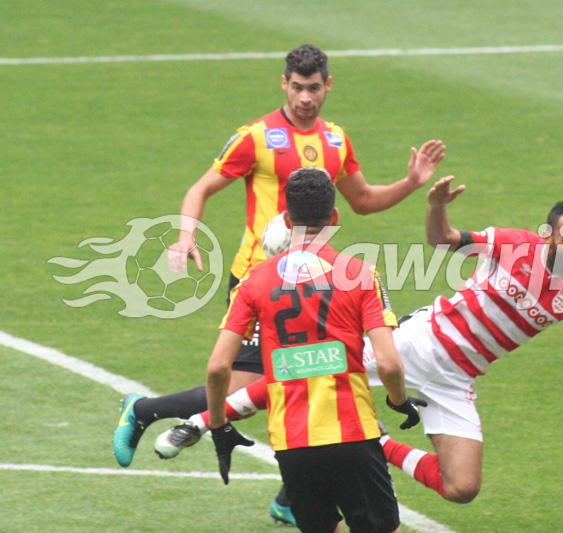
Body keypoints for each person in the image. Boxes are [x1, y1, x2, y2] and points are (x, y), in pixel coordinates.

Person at [159, 175, 563, 508]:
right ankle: (198, 423)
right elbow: (443, 240)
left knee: (461, 488)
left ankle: (377, 442)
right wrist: (437, 208)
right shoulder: (512, 244)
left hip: (456, 379)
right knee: (303, 366)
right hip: (417, 343)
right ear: (548, 235)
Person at [113, 44, 445, 472]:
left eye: (313, 88)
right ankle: (142, 411)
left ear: (327, 86)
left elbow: (361, 200)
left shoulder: (335, 138)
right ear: (283, 84)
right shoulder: (255, 137)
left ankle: (294, 494)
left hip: (316, 277)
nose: (304, 98)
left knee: (317, 376)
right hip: (259, 279)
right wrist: (184, 236)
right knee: (250, 388)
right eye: (296, 88)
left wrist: (411, 182)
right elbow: (201, 189)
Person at [206, 168, 425, 533]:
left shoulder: (253, 281)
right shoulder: (360, 273)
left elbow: (217, 368)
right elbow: (388, 363)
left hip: (292, 442)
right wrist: (400, 400)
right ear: (334, 217)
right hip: (353, 434)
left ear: (287, 219)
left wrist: (218, 424)